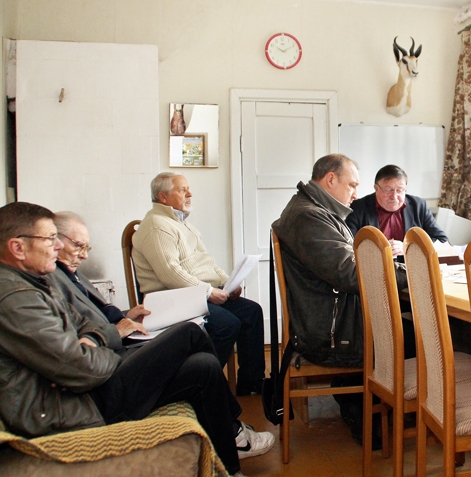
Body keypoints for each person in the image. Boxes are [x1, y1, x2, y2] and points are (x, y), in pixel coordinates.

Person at [0, 202, 273, 477]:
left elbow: (86, 325)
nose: (57, 246)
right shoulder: (16, 298)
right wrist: (103, 343)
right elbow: (82, 368)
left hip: (83, 389)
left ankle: (230, 466)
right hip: (74, 406)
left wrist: (92, 341)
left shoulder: (35, 282)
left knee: (202, 365)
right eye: (49, 239)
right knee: (190, 333)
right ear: (18, 247)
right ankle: (234, 429)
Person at [132, 172, 266, 396]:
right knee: (227, 324)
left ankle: (251, 383)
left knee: (251, 312)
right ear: (163, 197)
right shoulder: (157, 225)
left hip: (193, 295)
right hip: (171, 299)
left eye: (188, 189)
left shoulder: (181, 224)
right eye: (182, 190)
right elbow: (169, 273)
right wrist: (208, 292)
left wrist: (226, 282)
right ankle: (201, 384)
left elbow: (206, 262)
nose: (189, 194)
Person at [271, 154, 363, 368]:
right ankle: (365, 397)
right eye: (352, 185)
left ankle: (358, 397)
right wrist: (414, 273)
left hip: (335, 325)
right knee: (429, 333)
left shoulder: (313, 210)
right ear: (331, 180)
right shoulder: (309, 217)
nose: (356, 195)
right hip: (333, 338)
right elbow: (350, 274)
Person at [48, 211, 150, 349]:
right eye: (78, 245)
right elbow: (76, 335)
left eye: (86, 248)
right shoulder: (50, 279)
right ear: (54, 241)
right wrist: (117, 331)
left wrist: (127, 317)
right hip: (108, 353)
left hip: (119, 342)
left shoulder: (74, 274)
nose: (84, 256)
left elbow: (98, 314)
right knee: (186, 334)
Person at [346, 164, 448, 256]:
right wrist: (379, 250)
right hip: (373, 270)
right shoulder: (358, 208)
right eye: (388, 190)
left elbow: (442, 241)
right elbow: (349, 247)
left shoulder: (418, 206)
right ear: (376, 188)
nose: (394, 197)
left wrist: (408, 248)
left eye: (400, 190)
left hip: (410, 270)